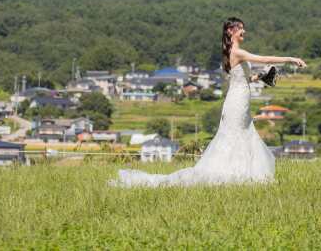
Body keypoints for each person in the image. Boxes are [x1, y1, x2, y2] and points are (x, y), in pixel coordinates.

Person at [112, 17, 306, 187]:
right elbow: (263, 58)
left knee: (242, 136)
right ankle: (236, 175)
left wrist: (261, 78)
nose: (244, 31)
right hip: (236, 103)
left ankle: (244, 174)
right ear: (231, 31)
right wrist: (290, 58)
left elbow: (244, 79)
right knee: (235, 136)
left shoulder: (232, 53)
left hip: (240, 101)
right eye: (241, 28)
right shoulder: (237, 52)